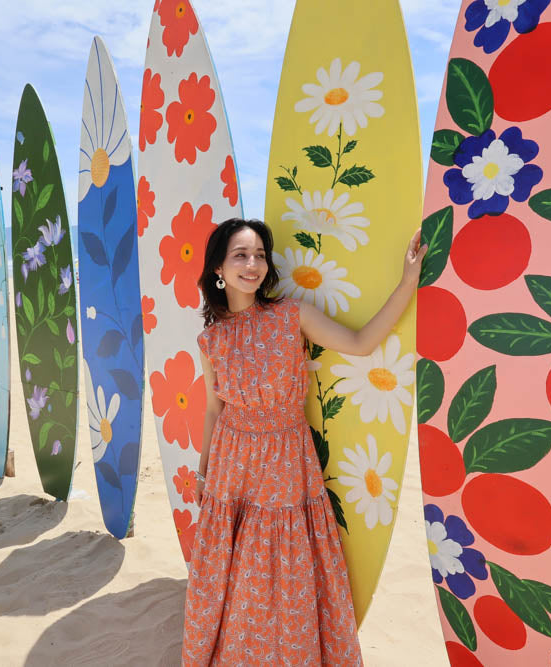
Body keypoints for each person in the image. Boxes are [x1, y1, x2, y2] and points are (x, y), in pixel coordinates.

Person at [181, 218, 426, 666]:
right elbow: (214, 410)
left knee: (281, 571)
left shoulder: (291, 315)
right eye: (240, 255)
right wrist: (203, 470)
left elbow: (360, 342)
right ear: (218, 266)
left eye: (259, 255)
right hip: (232, 467)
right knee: (240, 576)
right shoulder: (211, 339)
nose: (252, 264)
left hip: (285, 459)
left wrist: (407, 281)